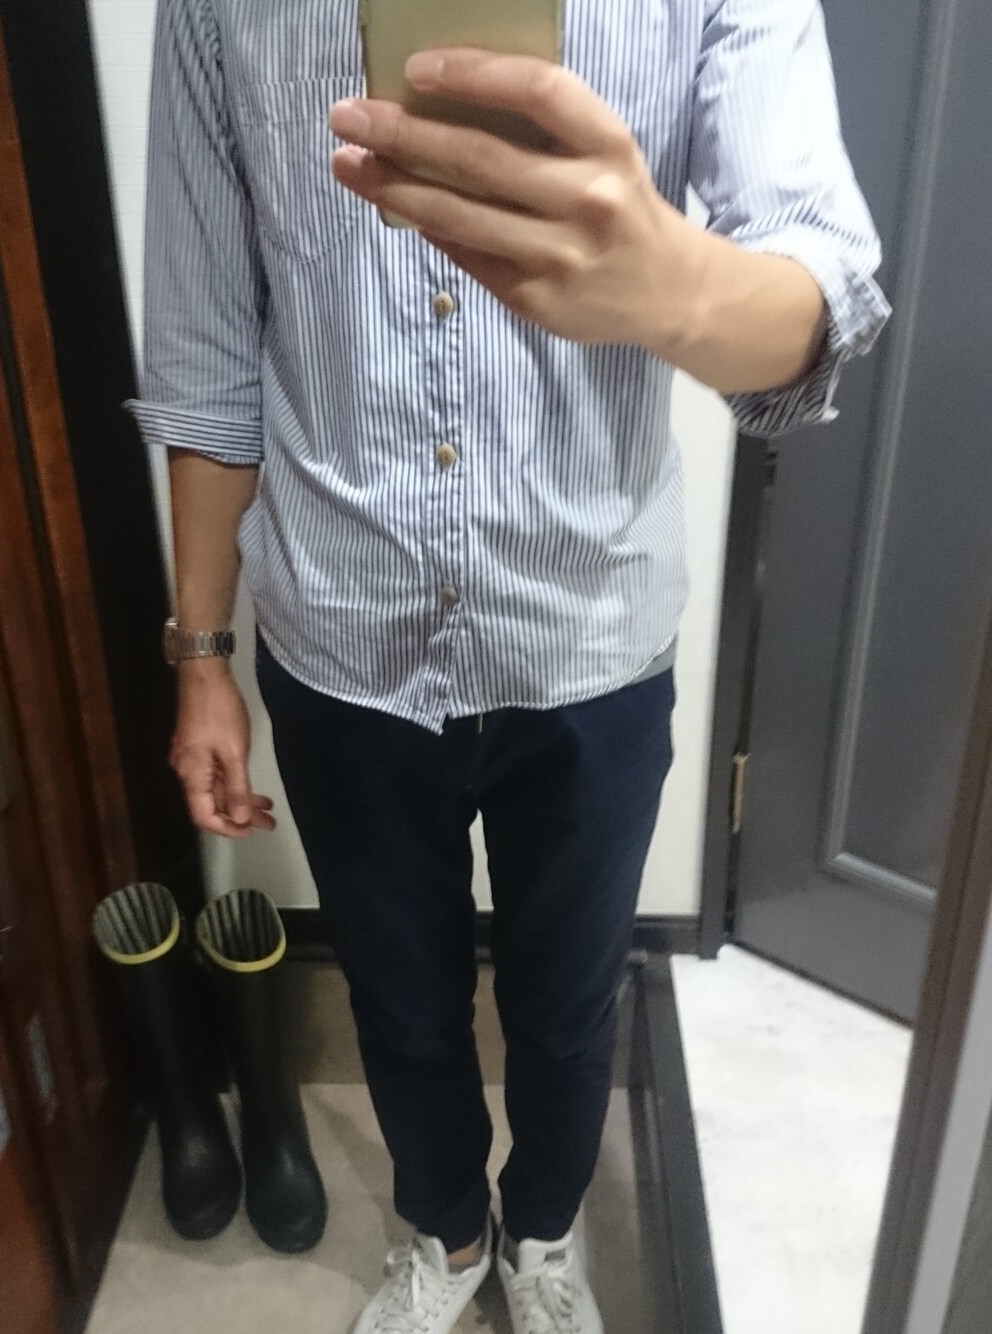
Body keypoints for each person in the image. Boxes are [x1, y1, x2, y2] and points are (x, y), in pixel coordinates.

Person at [130, 1, 889, 1330]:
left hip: (590, 629)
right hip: (340, 628)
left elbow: (819, 275)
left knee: (568, 1001)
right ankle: (450, 1232)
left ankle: (544, 1227)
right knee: (399, 998)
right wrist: (201, 653)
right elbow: (205, 347)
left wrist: (672, 282)